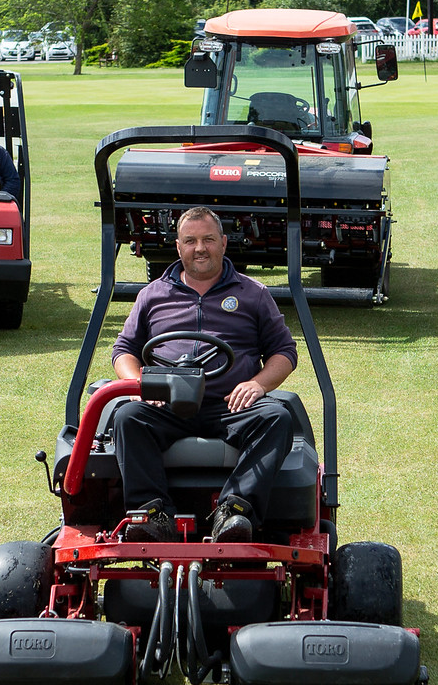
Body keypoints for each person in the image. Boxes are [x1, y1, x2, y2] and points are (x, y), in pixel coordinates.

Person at [109, 207, 300, 543]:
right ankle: (152, 514)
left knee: (278, 417)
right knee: (126, 416)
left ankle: (235, 511)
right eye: (191, 240)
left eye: (208, 239)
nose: (200, 248)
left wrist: (258, 384)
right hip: (166, 403)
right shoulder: (152, 295)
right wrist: (140, 385)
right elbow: (123, 350)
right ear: (178, 247)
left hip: (230, 404)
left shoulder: (253, 294)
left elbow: (284, 353)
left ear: (224, 243)